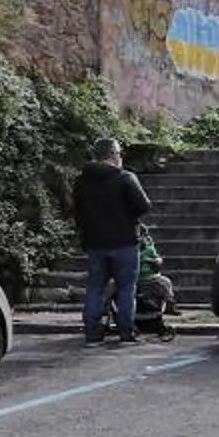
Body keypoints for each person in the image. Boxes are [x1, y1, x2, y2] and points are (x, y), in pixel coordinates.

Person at [71, 137, 152, 346]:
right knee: (126, 288)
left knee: (95, 288)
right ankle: (126, 331)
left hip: (95, 243)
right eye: (119, 153)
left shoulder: (81, 181)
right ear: (114, 155)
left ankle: (92, 333)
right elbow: (144, 206)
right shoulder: (125, 178)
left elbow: (76, 212)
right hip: (124, 241)